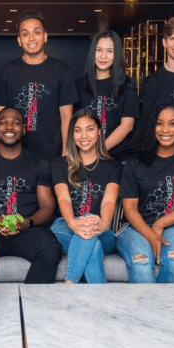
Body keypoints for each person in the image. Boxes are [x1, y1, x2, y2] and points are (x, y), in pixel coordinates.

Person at [117, 98, 174, 283]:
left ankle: (168, 312)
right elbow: (129, 208)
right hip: (135, 227)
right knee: (141, 262)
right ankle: (146, 313)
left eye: (173, 124)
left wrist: (160, 223)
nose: (165, 130)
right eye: (158, 124)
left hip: (173, 226)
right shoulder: (135, 160)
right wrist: (151, 234)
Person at [0, 107, 62, 284]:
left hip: (27, 231)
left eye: (16, 123)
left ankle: (32, 303)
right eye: (3, 122)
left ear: (23, 129)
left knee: (51, 248)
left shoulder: (39, 164)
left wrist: (27, 222)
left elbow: (48, 206)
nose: (9, 127)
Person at [0, 9, 78, 164]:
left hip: (52, 156)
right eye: (25, 34)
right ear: (19, 40)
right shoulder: (7, 71)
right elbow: (1, 119)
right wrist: (0, 157)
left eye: (36, 32)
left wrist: (66, 155)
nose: (31, 38)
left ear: (45, 36)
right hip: (15, 156)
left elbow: (67, 118)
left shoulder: (61, 70)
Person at [50, 109, 123, 284]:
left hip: (101, 229)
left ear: (99, 132)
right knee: (91, 242)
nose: (84, 135)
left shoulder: (114, 167)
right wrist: (73, 223)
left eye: (89, 129)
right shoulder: (60, 164)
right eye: (77, 130)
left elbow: (109, 201)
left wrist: (104, 223)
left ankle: (69, 284)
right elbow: (63, 199)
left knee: (91, 233)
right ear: (72, 135)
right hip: (65, 226)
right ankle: (100, 300)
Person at [75, 30, 139, 162]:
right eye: (99, 50)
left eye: (110, 51)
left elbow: (127, 126)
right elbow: (74, 124)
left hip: (120, 157)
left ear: (117, 55)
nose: (103, 56)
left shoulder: (128, 86)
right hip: (85, 156)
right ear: (93, 52)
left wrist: (98, 151)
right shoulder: (78, 86)